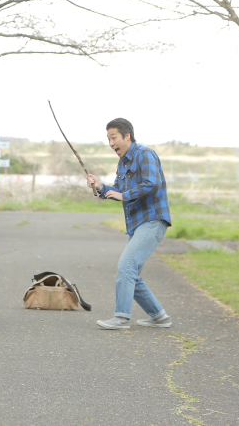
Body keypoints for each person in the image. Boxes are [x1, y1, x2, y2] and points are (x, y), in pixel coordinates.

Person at [86, 118, 173, 330]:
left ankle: (121, 318)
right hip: (137, 225)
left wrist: (124, 195)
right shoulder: (122, 162)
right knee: (130, 272)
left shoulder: (145, 154)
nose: (111, 143)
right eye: (108, 139)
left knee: (126, 267)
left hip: (152, 220)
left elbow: (152, 183)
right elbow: (117, 191)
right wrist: (99, 187)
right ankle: (159, 316)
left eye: (114, 137)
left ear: (127, 136)